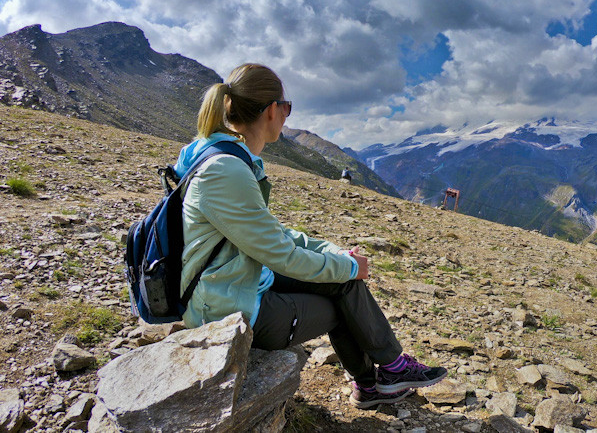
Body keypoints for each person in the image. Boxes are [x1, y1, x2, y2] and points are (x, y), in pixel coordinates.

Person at [174, 63, 446, 409]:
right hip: (226, 306)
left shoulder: (225, 158)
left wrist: (337, 254)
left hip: (236, 280)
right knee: (340, 301)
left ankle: (384, 375)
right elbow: (282, 255)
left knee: (343, 279)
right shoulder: (226, 171)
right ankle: (378, 379)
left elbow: (274, 235)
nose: (286, 115)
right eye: (287, 107)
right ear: (272, 110)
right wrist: (348, 268)